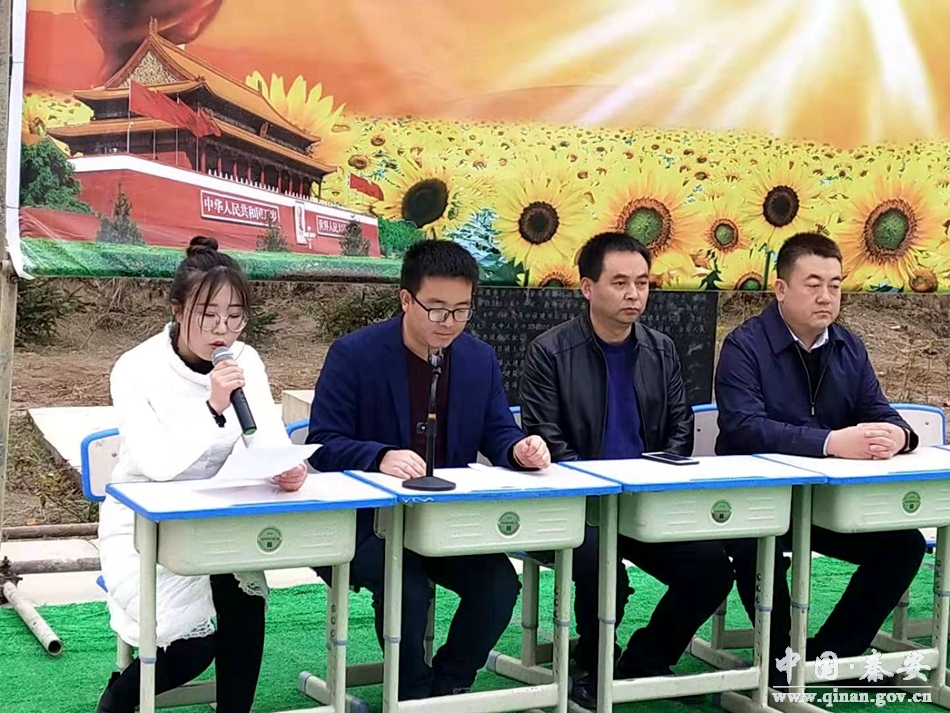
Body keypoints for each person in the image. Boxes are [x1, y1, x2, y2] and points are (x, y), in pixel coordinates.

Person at [307, 239, 551, 700]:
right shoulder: (355, 354)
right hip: (366, 522)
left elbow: (497, 431)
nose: (449, 322)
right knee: (406, 588)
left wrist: (520, 449)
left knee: (498, 585)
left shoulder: (477, 358)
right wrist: (379, 456)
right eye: (437, 309)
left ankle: (450, 682)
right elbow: (322, 444)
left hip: (443, 518)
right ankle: (411, 694)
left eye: (461, 310)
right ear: (406, 299)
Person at [520, 232, 734, 709]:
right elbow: (546, 437)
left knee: (711, 568)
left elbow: (680, 428)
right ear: (587, 288)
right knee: (600, 562)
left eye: (642, 282)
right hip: (578, 507)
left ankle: (646, 659)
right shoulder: (549, 352)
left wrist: (649, 485)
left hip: (644, 503)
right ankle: (594, 668)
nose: (634, 294)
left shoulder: (661, 349)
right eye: (620, 283)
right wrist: (606, 490)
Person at [96, 236, 308, 713]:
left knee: (245, 609)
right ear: (177, 310)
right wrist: (212, 406)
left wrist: (285, 467)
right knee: (193, 643)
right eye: (209, 315)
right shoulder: (135, 368)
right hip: (142, 528)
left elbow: (265, 437)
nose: (223, 330)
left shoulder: (245, 360)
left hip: (219, 517)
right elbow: (157, 464)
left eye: (235, 316)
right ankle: (117, 701)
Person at [716, 231, 925, 686]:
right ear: (781, 289)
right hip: (757, 500)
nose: (826, 296)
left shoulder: (848, 345)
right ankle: (779, 663)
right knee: (756, 546)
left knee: (903, 545)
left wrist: (899, 436)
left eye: (835, 285)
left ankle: (832, 657)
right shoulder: (744, 346)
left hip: (827, 501)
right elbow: (743, 426)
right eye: (813, 285)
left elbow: (878, 410)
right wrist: (831, 442)